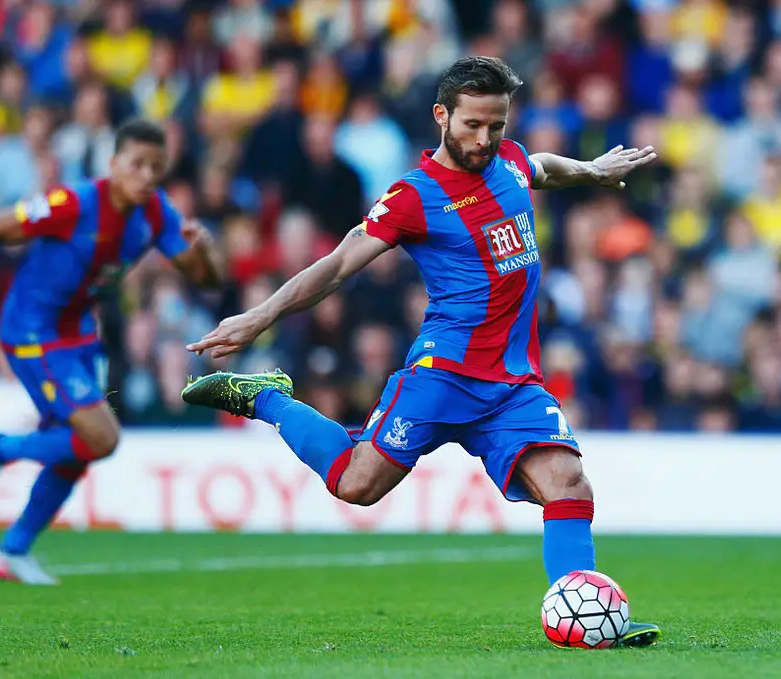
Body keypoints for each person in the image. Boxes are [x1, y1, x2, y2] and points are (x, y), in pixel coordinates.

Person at [182, 57, 660, 646]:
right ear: (442, 116)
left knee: (569, 483)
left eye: (496, 125)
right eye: (472, 125)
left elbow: (541, 167)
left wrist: (590, 169)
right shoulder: (414, 196)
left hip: (512, 383)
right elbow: (338, 265)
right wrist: (259, 318)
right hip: (442, 377)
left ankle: (585, 621)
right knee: (356, 485)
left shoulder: (508, 160)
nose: (484, 139)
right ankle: (266, 398)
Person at [0, 119, 223, 584]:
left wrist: (206, 252)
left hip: (79, 335)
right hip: (33, 330)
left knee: (79, 448)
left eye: (156, 167)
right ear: (113, 164)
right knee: (103, 437)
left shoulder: (155, 212)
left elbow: (206, 279)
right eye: (137, 164)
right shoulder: (72, 203)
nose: (147, 176)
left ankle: (12, 550)